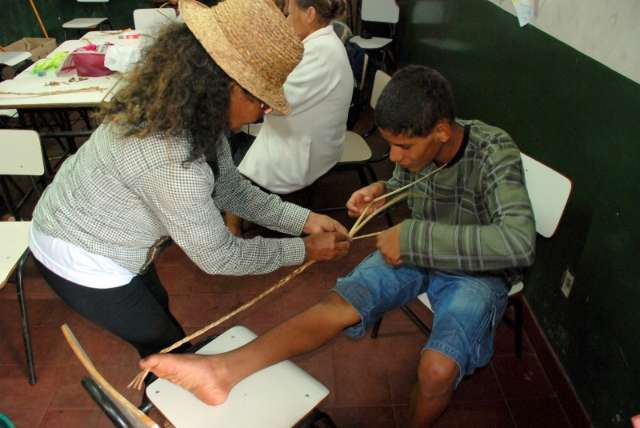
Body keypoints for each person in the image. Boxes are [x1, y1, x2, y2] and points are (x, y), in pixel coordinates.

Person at [140, 65, 536, 427]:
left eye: (404, 149)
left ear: (442, 132)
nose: (395, 157)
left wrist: (415, 236)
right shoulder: (417, 145)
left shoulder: (493, 150)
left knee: (436, 370)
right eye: (390, 146)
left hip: (477, 271)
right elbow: (405, 183)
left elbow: (519, 243)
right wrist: (384, 190)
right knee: (336, 307)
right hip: (418, 252)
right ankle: (222, 372)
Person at [28, 0, 350, 359]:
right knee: (164, 347)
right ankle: (164, 401)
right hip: (78, 252)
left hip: (103, 229)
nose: (267, 110)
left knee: (159, 312)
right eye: (261, 100)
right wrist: (303, 250)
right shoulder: (170, 160)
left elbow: (230, 188)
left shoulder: (189, 111)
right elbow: (219, 257)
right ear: (227, 86)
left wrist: (304, 220)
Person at [223, 0, 354, 234]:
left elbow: (275, 102)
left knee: (236, 165)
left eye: (289, 11)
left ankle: (233, 226)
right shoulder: (317, 43)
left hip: (303, 147)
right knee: (239, 141)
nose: (285, 17)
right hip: (303, 132)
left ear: (310, 14)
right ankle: (237, 215)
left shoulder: (322, 53)